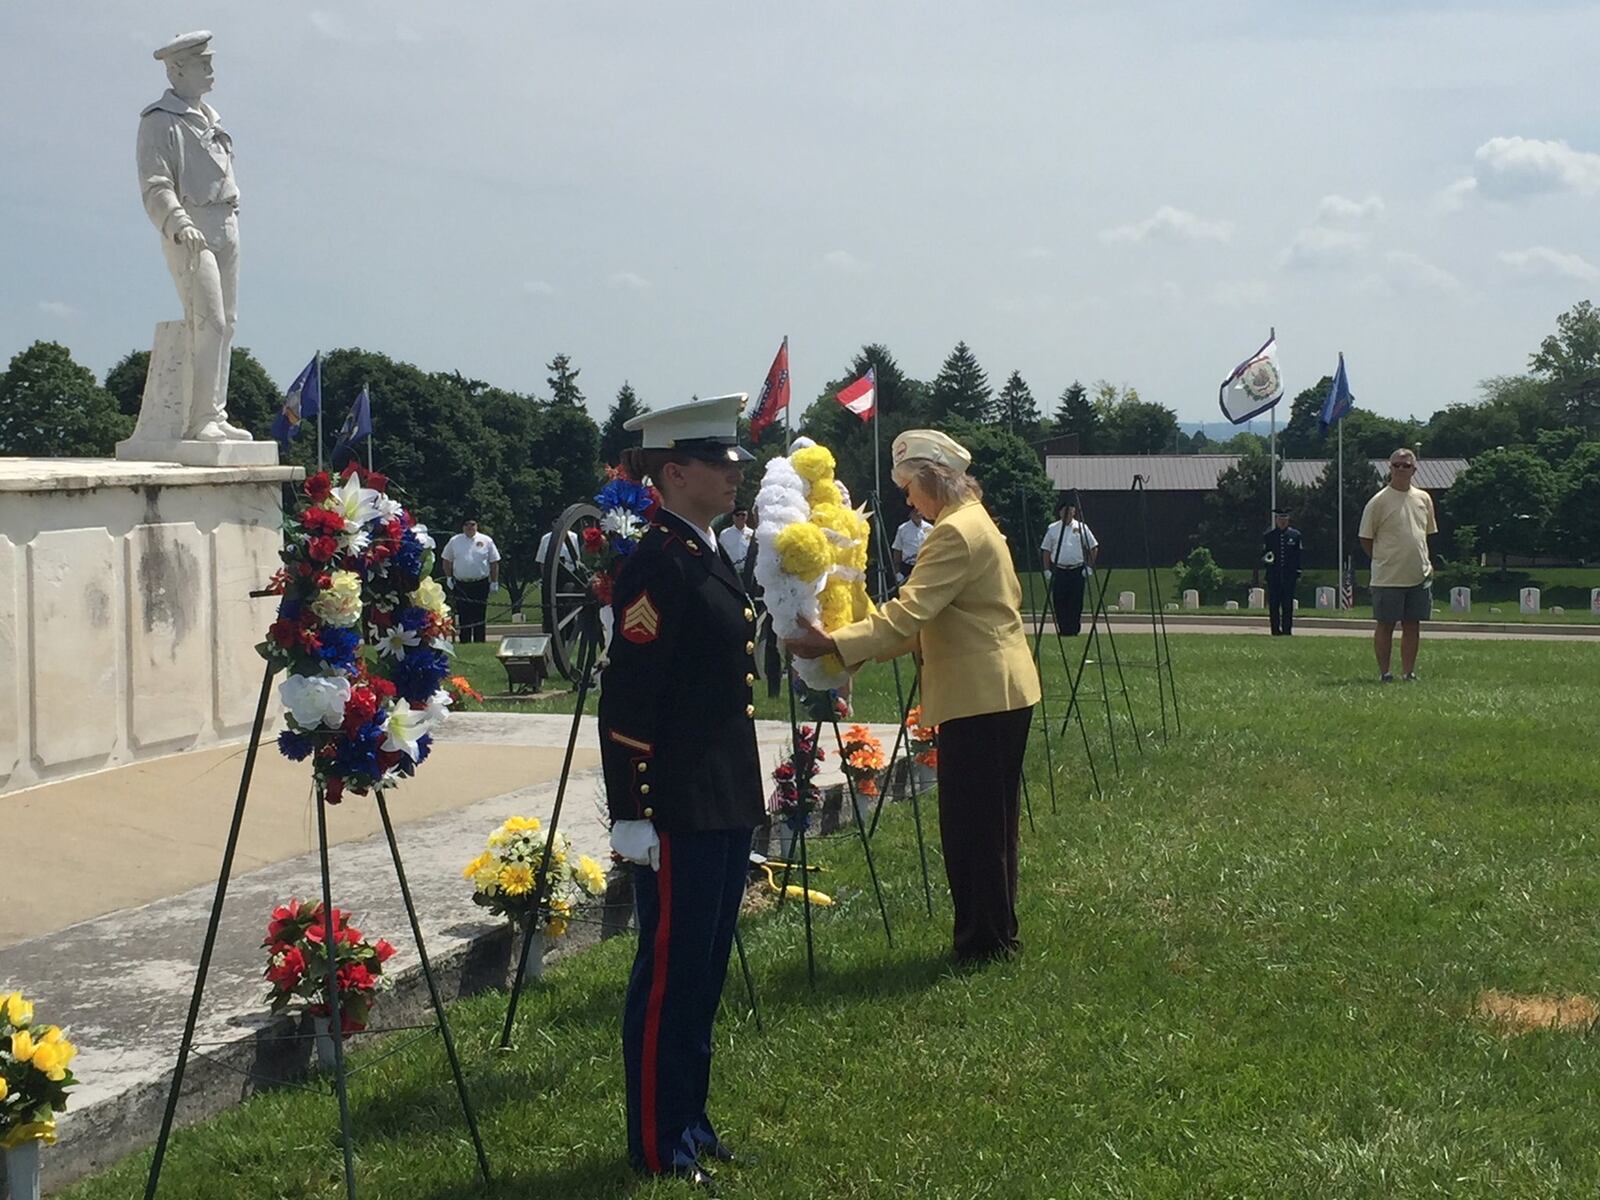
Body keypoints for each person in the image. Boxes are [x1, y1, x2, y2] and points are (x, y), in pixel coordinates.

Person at [787, 429, 1041, 966]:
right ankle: (991, 931)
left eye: (908, 485)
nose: (906, 498)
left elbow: (910, 611)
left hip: (981, 693)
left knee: (972, 825)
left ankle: (984, 940)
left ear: (932, 478)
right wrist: (849, 647)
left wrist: (834, 641)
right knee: (988, 822)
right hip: (995, 688)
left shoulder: (954, 533)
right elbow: (920, 622)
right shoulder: (971, 523)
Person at [599, 394, 763, 1187]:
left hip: (721, 797)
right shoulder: (657, 563)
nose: (736, 474)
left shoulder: (702, 549)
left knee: (702, 973)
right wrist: (632, 812)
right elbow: (629, 700)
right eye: (722, 462)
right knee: (668, 978)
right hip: (677, 806)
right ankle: (659, 1142)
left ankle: (690, 1121)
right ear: (675, 471)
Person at [138, 31, 246, 442]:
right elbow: (155, 184)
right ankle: (199, 420)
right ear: (177, 69)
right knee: (210, 321)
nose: (211, 71)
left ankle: (214, 413)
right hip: (191, 229)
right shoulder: (160, 121)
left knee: (228, 323)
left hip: (226, 224)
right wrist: (178, 222)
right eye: (204, 64)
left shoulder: (213, 118)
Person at [1358, 448, 1437, 682]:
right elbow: (1365, 538)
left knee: (1412, 624)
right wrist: (1382, 559)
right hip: (1388, 576)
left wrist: (1427, 562)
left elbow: (1427, 533)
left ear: (1414, 470)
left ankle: (1409, 672)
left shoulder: (1424, 498)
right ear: (1389, 468)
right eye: (1396, 465)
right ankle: (1385, 673)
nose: (1401, 469)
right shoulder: (1378, 501)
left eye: (1406, 466)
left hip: (1419, 574)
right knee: (1386, 625)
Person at [1039, 499, 1098, 636]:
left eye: (1070, 511)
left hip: (1077, 570)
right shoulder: (1053, 528)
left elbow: (1093, 547)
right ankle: (1063, 629)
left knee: (1076, 602)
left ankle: (1073, 630)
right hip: (1059, 570)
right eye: (1064, 511)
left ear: (1074, 512)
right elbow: (1046, 550)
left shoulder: (1082, 527)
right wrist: (1047, 569)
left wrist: (1089, 567)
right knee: (1060, 601)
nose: (1067, 513)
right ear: (1060, 513)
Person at [441, 519, 501, 643]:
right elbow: (447, 560)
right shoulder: (455, 541)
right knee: (464, 615)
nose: (469, 527)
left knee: (480, 614)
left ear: (477, 526)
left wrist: (494, 581)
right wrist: (449, 577)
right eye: (466, 525)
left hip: (480, 582)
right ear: (463, 527)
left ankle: (480, 641)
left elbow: (494, 562)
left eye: (472, 525)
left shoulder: (486, 540)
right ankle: (465, 641)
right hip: (461, 583)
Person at [1262, 508, 1303, 636]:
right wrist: (1267, 561)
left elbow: (1299, 555)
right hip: (1273, 576)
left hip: (1289, 576)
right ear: (1276, 520)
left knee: (1287, 605)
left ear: (1288, 520)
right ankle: (1275, 630)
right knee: (1274, 605)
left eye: (1285, 520)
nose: (1282, 522)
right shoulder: (1269, 536)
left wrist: (1298, 571)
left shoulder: (1295, 535)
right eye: (1280, 519)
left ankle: (1287, 630)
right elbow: (1263, 555)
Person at [890, 508, 929, 583]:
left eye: (919, 511)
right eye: (915, 512)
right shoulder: (903, 529)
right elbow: (898, 550)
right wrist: (897, 572)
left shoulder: (930, 528)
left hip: (924, 566)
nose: (918, 514)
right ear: (910, 514)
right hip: (908, 568)